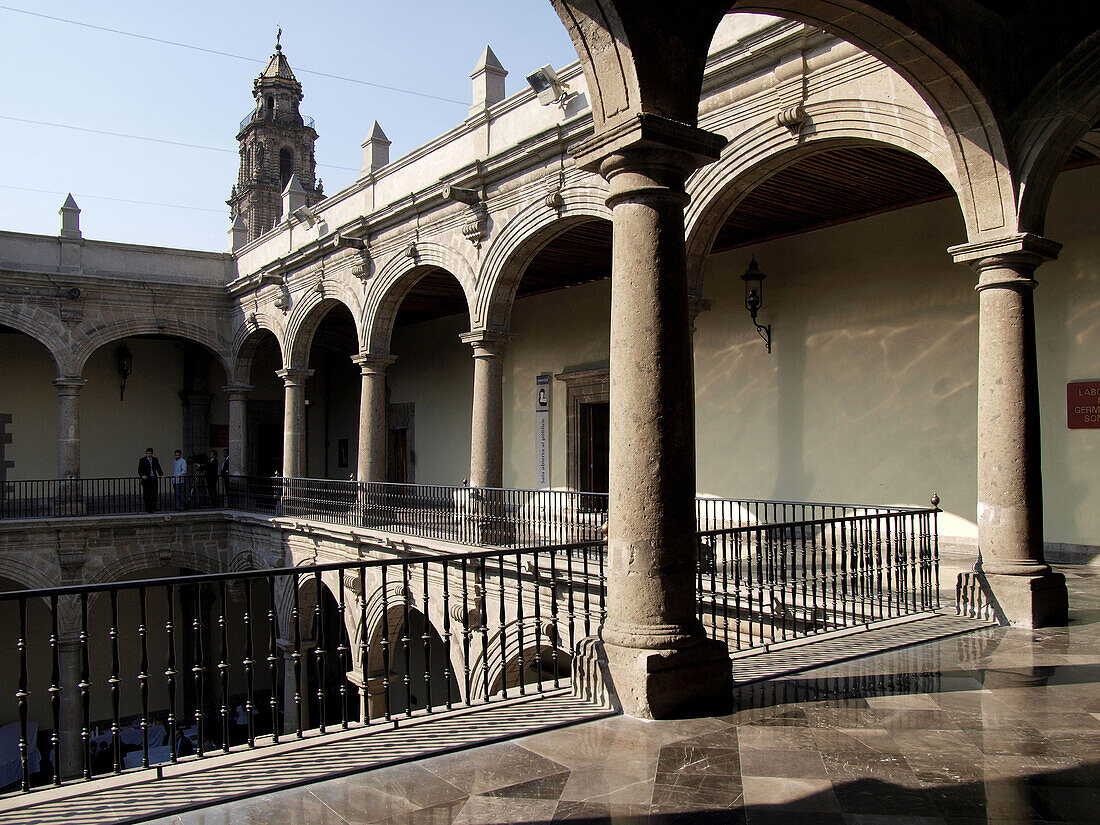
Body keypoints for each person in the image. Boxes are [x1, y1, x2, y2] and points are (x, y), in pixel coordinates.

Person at [138, 447, 163, 513]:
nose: (149, 455)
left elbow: (158, 467)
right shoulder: (142, 460)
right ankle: (148, 508)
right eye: (147, 453)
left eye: (150, 453)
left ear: (152, 454)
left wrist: (161, 474)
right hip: (146, 479)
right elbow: (140, 469)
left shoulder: (155, 460)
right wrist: (142, 475)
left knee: (154, 494)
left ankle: (153, 507)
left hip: (153, 478)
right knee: (147, 494)